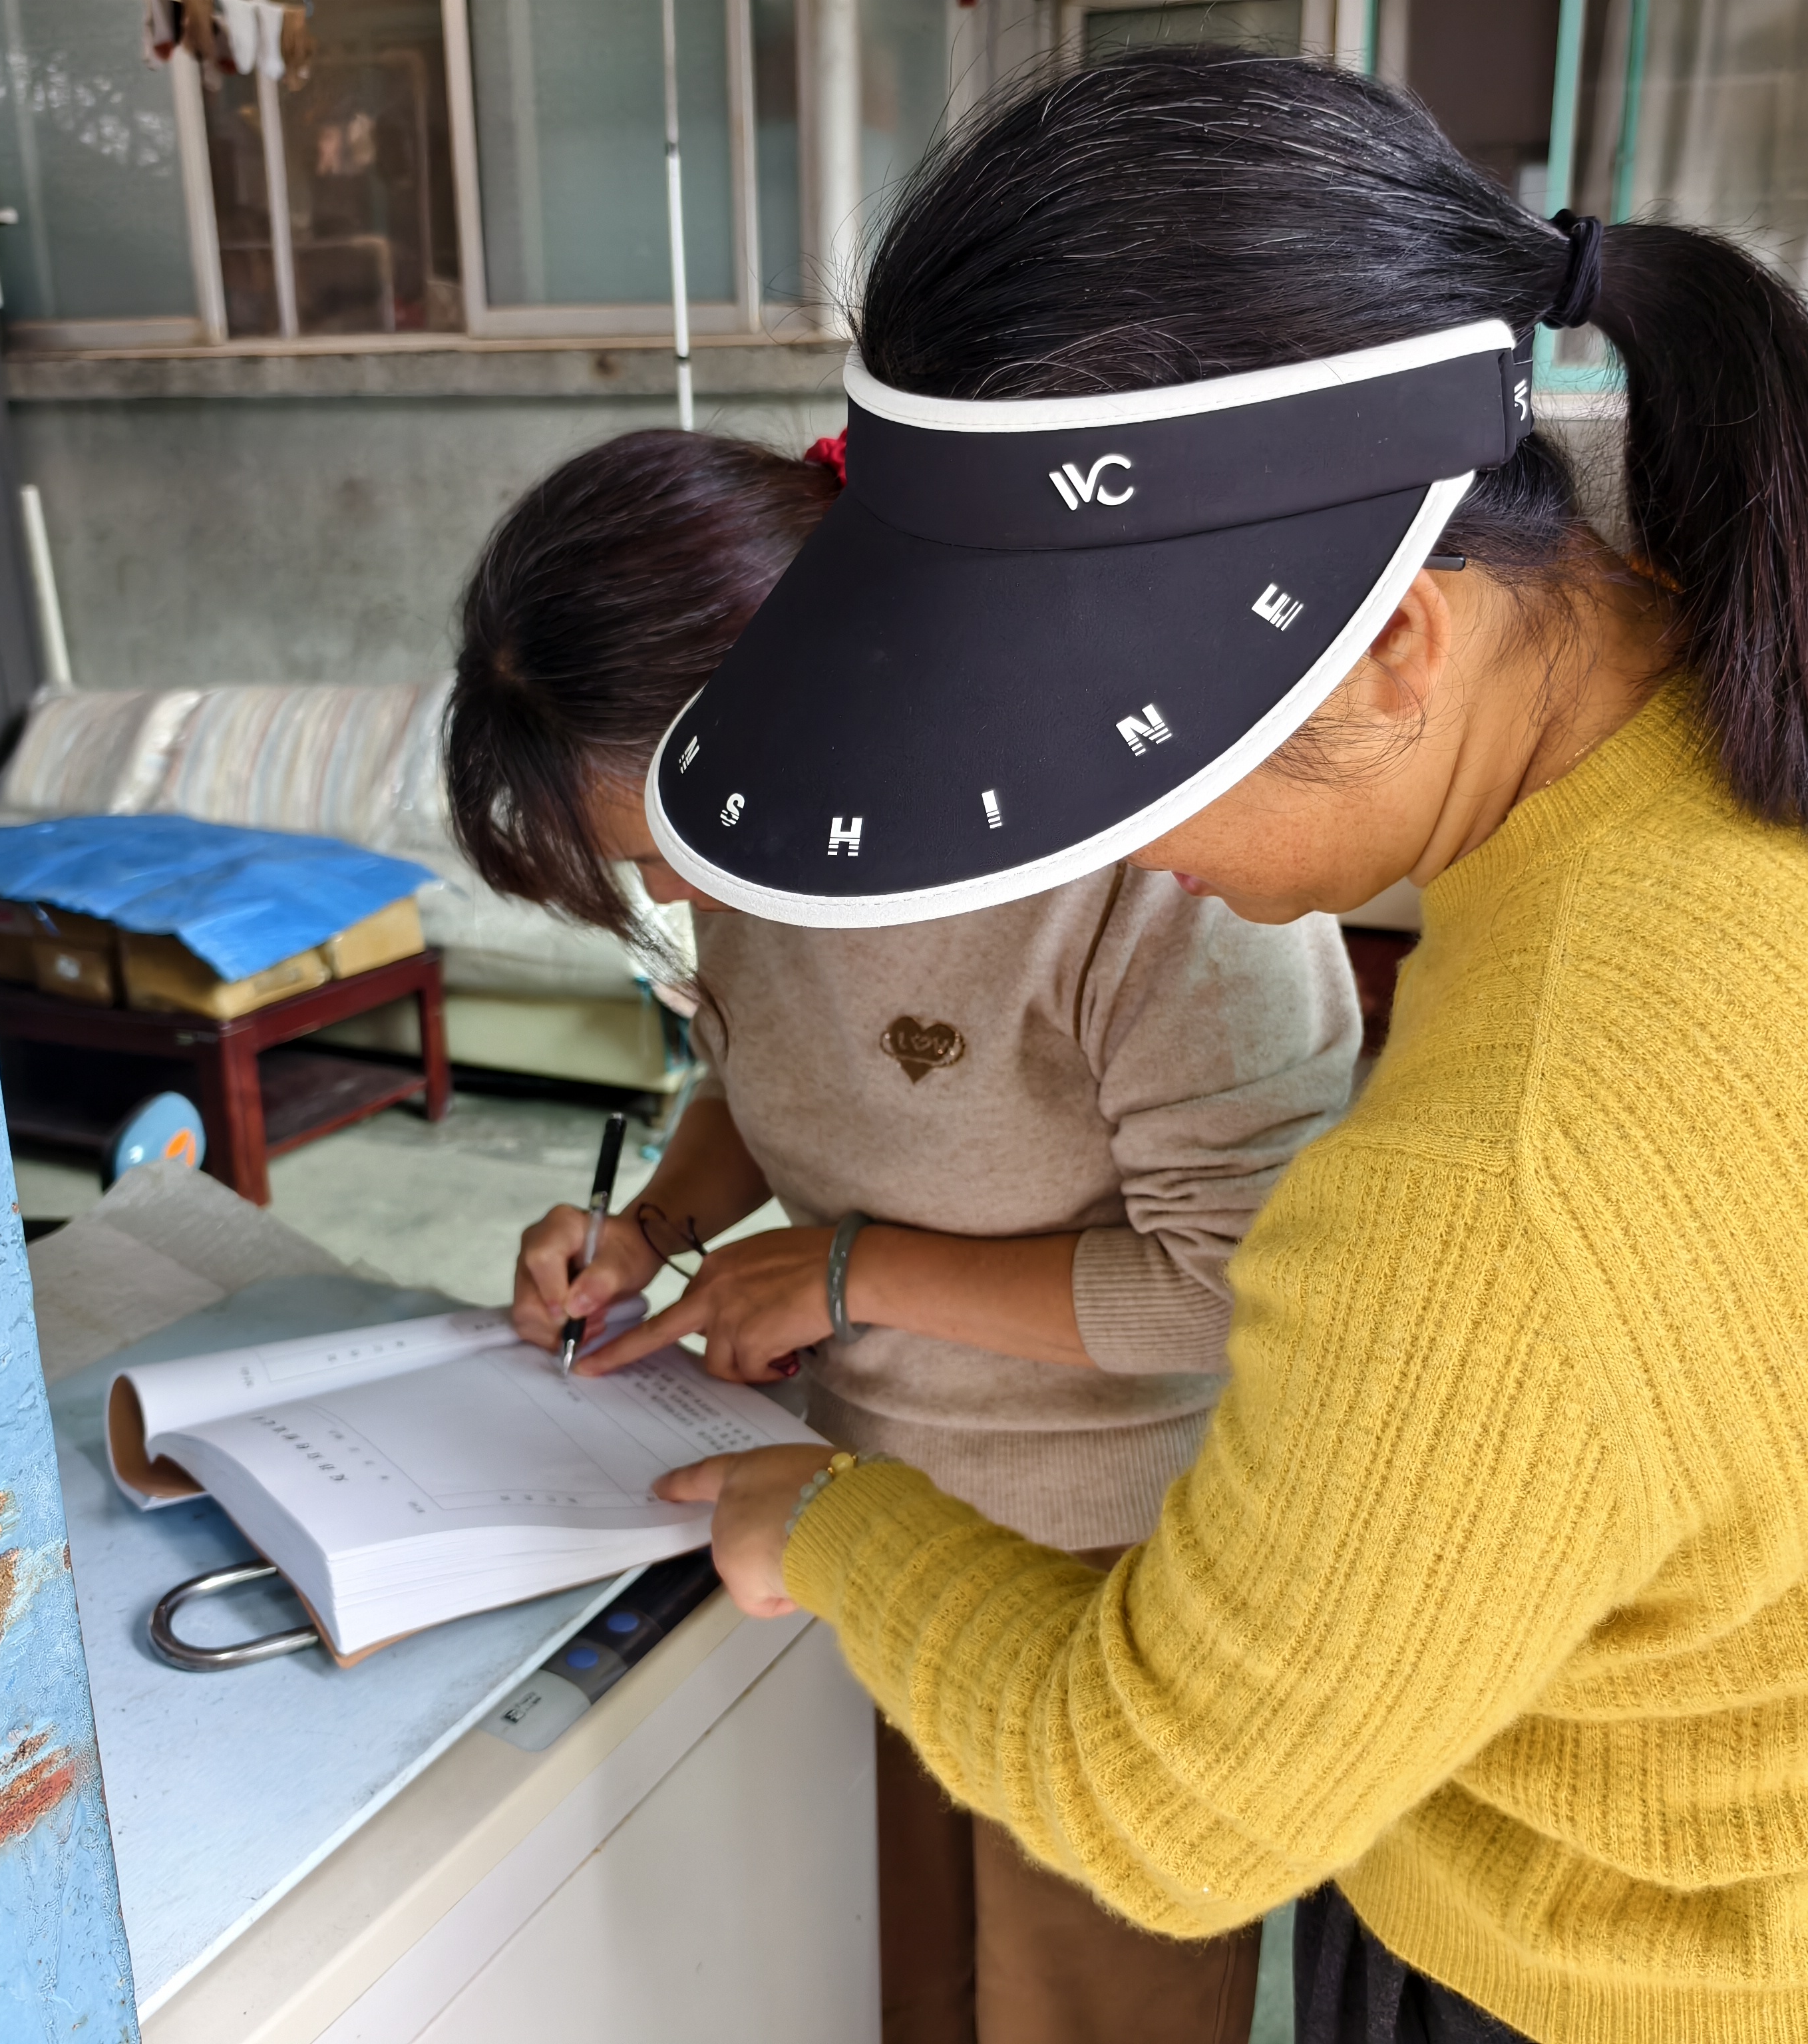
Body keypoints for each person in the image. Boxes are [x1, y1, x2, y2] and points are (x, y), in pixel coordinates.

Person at [647, 49, 1808, 2044]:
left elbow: (1167, 1810)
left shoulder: (1506, 1182)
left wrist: (837, 1528)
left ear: (1386, 650)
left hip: (1643, 1984)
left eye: (1123, 778)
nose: (1114, 851)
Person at [442, 426, 1362, 2044]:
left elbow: (1232, 1293)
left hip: (1115, 1561)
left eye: (673, 845)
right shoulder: (759, 862)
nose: (687, 893)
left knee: (1085, 2008)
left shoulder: (1151, 871)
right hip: (845, 1513)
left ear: (840, 688)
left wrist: (845, 1271)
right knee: (894, 1977)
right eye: (646, 869)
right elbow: (775, 1078)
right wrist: (648, 1225)